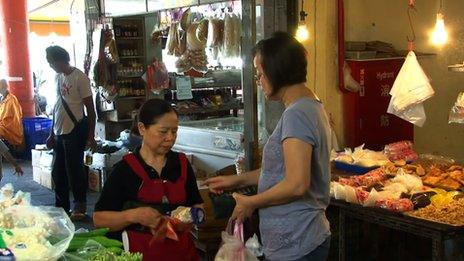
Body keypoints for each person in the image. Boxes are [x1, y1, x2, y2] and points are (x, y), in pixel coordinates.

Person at [204, 32, 332, 261]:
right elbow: (282, 173)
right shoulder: (309, 106)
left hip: (298, 240)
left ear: (277, 71)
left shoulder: (298, 114)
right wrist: (236, 180)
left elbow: (297, 184)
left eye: (260, 74)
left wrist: (250, 202)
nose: (258, 80)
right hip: (298, 239)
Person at [93, 98, 203, 260]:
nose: (170, 138)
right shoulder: (124, 170)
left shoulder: (181, 163)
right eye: (163, 132)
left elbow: (198, 205)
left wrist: (190, 215)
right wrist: (133, 215)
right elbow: (99, 219)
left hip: (182, 252)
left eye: (174, 131)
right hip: (140, 253)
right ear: (142, 128)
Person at [45, 46, 97, 221]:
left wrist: (91, 135)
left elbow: (91, 109)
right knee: (57, 172)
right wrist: (51, 133)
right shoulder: (57, 78)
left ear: (61, 60)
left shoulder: (79, 77)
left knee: (75, 171)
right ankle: (61, 207)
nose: (50, 65)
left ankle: (80, 206)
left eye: (51, 62)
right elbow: (56, 106)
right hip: (59, 132)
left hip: (75, 130)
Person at [0, 79, 24, 147]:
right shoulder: (3, 99)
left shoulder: (11, 100)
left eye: (2, 86)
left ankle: (8, 157)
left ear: (6, 87)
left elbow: (11, 120)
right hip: (4, 126)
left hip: (11, 129)